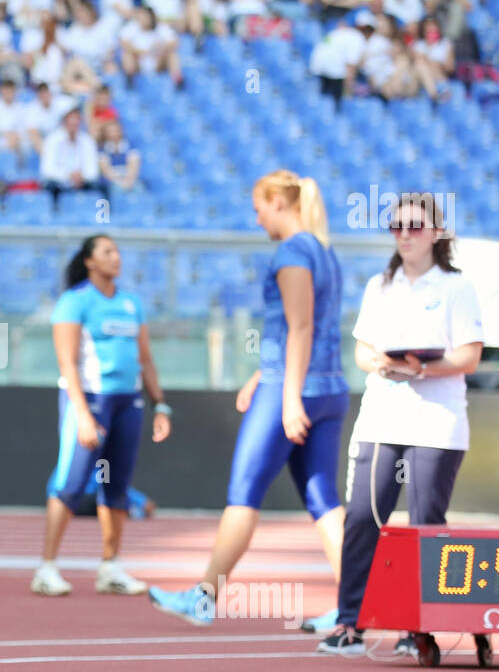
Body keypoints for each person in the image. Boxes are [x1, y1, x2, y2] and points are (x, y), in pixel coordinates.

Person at [148, 171, 349, 629]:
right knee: (323, 501)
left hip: (294, 389)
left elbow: (300, 326)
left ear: (277, 201)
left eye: (259, 209)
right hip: (327, 388)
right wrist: (261, 375)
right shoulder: (325, 252)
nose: (257, 220)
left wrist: (289, 396)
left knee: (243, 495)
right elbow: (306, 324)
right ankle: (354, 607)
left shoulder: (294, 251)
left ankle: (204, 598)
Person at [317, 195, 483, 656]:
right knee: (362, 521)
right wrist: (385, 364)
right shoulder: (380, 285)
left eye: (414, 225)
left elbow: (469, 355)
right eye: (396, 225)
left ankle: (419, 628)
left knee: (426, 526)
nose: (405, 233)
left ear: (437, 232)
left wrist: (423, 370)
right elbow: (363, 351)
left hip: (436, 423)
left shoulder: (456, 286)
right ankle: (349, 622)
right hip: (380, 420)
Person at [32, 234, 172, 597]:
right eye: (107, 252)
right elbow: (66, 362)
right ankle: (46, 567)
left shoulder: (130, 303)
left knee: (117, 485)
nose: (116, 257)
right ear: (90, 261)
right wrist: (81, 414)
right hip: (90, 401)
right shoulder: (74, 302)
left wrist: (161, 404)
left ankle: (111, 565)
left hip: (128, 402)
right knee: (71, 482)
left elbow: (146, 359)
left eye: (118, 251)